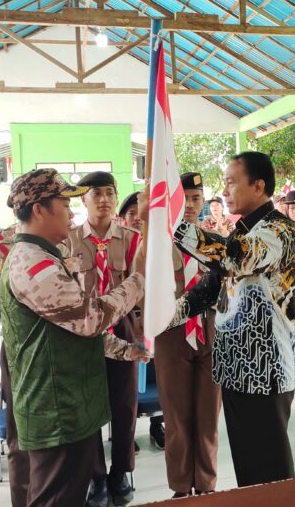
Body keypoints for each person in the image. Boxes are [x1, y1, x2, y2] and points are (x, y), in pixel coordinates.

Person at [0, 168, 146, 507]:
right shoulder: (33, 263)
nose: (72, 213)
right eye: (65, 205)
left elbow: (68, 327)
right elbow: (88, 318)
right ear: (39, 209)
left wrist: (125, 350)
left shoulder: (43, 256)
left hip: (66, 404)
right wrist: (138, 280)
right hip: (57, 412)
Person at [174, 151, 295, 487]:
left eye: (231, 182)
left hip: (265, 370)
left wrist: (170, 226)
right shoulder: (243, 231)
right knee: (248, 464)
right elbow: (210, 288)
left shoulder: (279, 229)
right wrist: (165, 317)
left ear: (258, 186)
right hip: (235, 368)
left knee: (271, 470)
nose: (225, 191)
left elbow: (236, 259)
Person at [65, 171, 141, 507]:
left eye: (110, 192)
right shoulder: (68, 241)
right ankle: (95, 475)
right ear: (84, 199)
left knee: (124, 402)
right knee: (88, 404)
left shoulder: (132, 239)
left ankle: (120, 470)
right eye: (96, 193)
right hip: (83, 331)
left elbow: (141, 284)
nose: (104, 199)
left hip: (121, 325)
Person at [155, 172, 222, 498]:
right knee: (177, 417)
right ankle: (181, 488)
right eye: (185, 200)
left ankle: (207, 485)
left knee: (209, 416)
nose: (192, 206)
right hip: (172, 333)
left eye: (197, 199)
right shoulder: (158, 243)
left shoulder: (216, 241)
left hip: (211, 330)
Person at [118, 191, 166, 451]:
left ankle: (157, 425)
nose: (137, 218)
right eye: (131, 213)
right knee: (128, 381)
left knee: (158, 375)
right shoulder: (117, 245)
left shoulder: (157, 244)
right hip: (126, 322)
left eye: (141, 212)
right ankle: (127, 433)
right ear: (122, 218)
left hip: (153, 318)